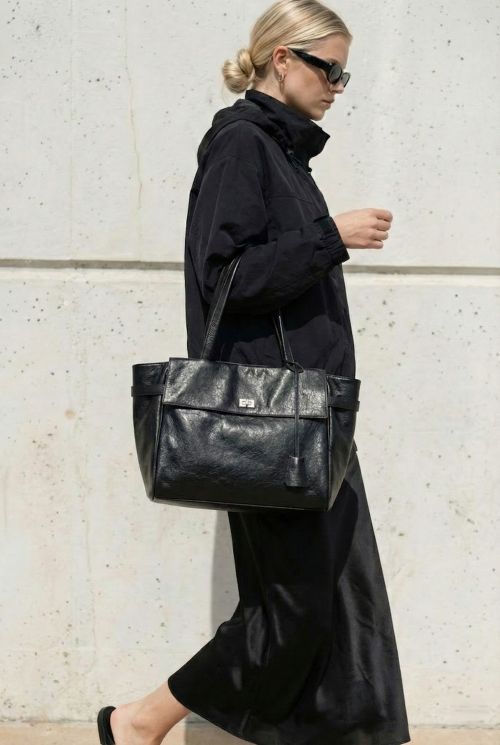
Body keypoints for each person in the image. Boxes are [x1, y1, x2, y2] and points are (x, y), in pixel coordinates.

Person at [97, 1, 411, 744]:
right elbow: (225, 278)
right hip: (272, 424)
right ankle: (140, 719)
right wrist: (329, 237)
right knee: (297, 607)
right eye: (329, 69)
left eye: (345, 73)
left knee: (340, 602)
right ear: (283, 59)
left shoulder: (284, 155)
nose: (338, 86)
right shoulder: (241, 144)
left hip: (312, 419)